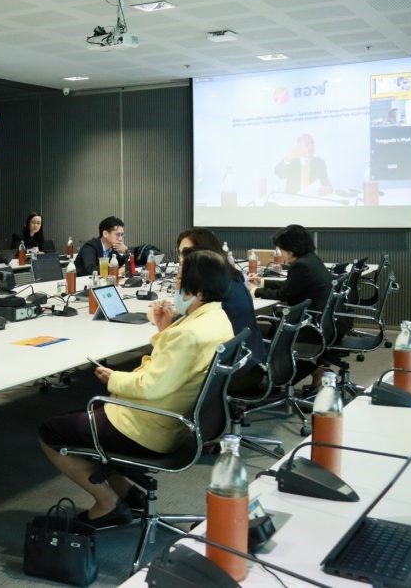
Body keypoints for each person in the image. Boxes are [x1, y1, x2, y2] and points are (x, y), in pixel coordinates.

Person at [39, 250, 234, 527]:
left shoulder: (189, 333)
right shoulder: (217, 319)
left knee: (50, 431)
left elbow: (149, 386)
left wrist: (112, 377)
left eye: (179, 278)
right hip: (172, 421)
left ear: (198, 291)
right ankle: (127, 493)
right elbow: (174, 367)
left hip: (149, 427)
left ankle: (107, 504)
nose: (175, 284)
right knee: (90, 414)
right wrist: (164, 328)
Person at [173, 229, 266, 393]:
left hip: (230, 371)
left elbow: (190, 334)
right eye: (181, 253)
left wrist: (167, 321)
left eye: (187, 253)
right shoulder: (231, 277)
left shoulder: (215, 289)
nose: (182, 259)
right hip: (249, 361)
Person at [247, 224, 333, 386]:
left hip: (307, 326)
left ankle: (268, 378)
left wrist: (253, 292)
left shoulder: (301, 265)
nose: (281, 253)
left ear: (291, 250)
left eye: (281, 249)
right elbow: (291, 286)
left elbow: (284, 294)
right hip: (318, 321)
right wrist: (263, 282)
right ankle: (311, 370)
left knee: (255, 331)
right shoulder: (311, 259)